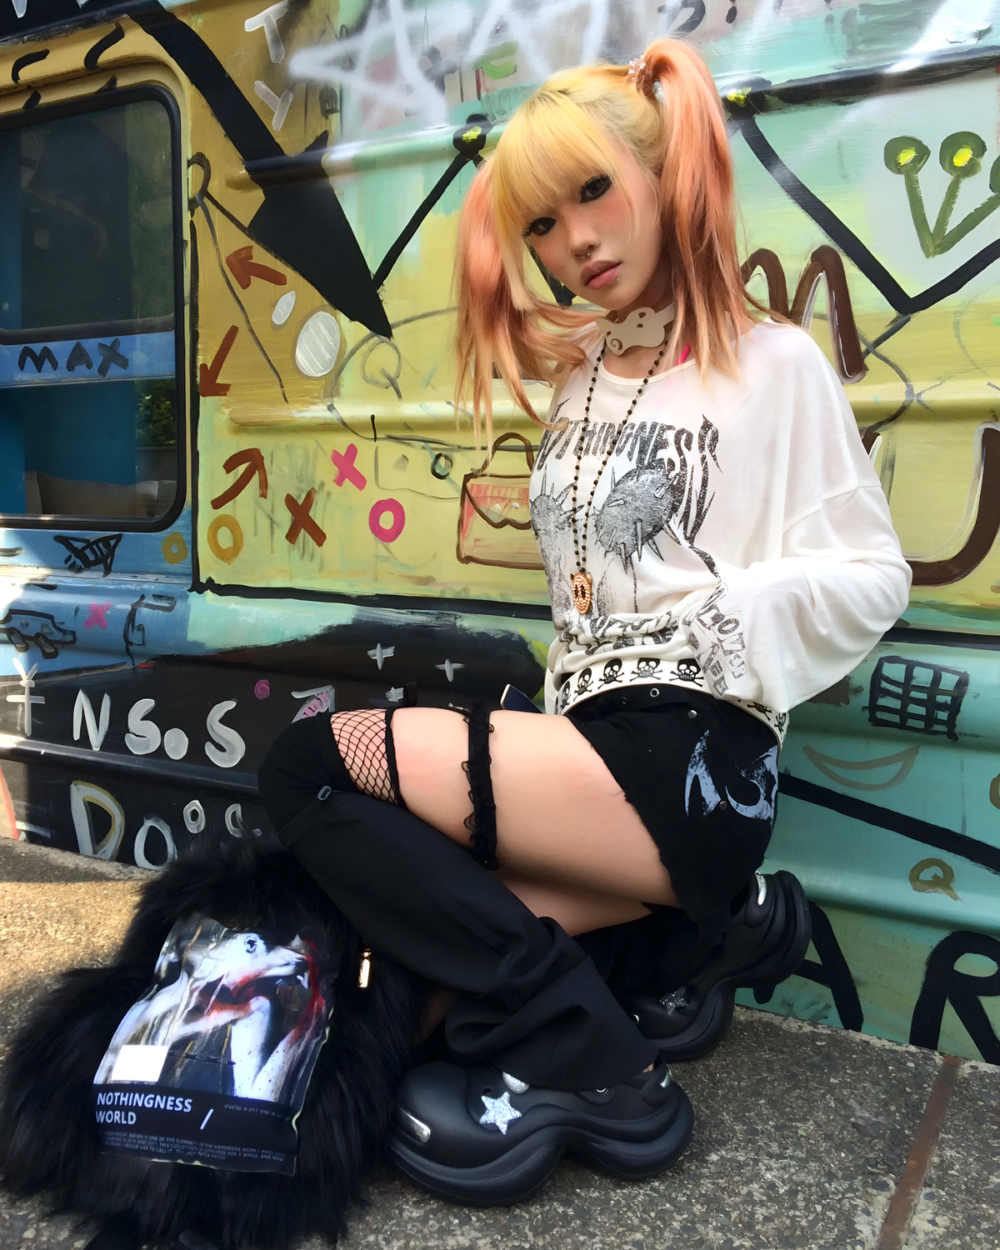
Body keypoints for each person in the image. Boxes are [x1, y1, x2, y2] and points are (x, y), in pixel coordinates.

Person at [257, 37, 911, 1205]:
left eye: (595, 191)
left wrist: (721, 620)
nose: (575, 243)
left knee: (309, 763)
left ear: (669, 174)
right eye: (544, 224)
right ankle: (688, 937)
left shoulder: (773, 363)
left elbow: (871, 572)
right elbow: (582, 604)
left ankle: (591, 1057)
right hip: (590, 754)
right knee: (402, 983)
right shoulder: (581, 382)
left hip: (691, 757)